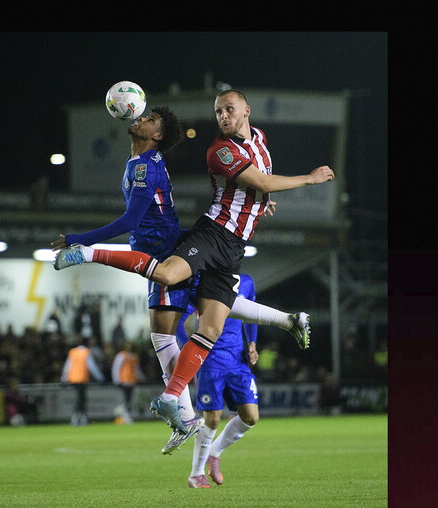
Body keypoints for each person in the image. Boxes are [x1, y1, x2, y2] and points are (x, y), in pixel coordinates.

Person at [54, 89, 334, 437]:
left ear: (246, 111)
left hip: (229, 246)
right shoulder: (220, 150)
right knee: (170, 305)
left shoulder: (258, 139)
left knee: (209, 328)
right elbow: (259, 181)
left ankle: (177, 400)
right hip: (212, 234)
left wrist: (261, 202)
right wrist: (303, 180)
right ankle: (89, 256)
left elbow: (259, 184)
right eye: (218, 112)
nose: (223, 117)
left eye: (229, 110)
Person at [178, 273, 261, 488]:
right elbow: (179, 320)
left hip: (238, 361)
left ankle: (214, 452)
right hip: (211, 361)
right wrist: (192, 349)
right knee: (212, 419)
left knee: (250, 417)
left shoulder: (247, 282)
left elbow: (251, 316)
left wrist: (252, 344)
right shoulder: (203, 281)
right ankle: (196, 474)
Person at [60, 337, 106, 426]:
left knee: (80, 399)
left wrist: (64, 378)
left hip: (73, 378)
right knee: (81, 400)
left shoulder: (73, 352)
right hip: (82, 378)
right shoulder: (86, 352)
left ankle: (80, 419)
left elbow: (67, 366)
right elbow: (92, 366)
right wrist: (100, 378)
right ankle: (78, 419)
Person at [111, 340, 144, 424]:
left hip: (131, 380)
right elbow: (116, 368)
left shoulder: (134, 356)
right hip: (124, 380)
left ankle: (127, 415)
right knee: (124, 399)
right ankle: (124, 416)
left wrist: (141, 378)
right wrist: (116, 379)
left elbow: (136, 369)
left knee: (129, 399)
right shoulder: (121, 355)